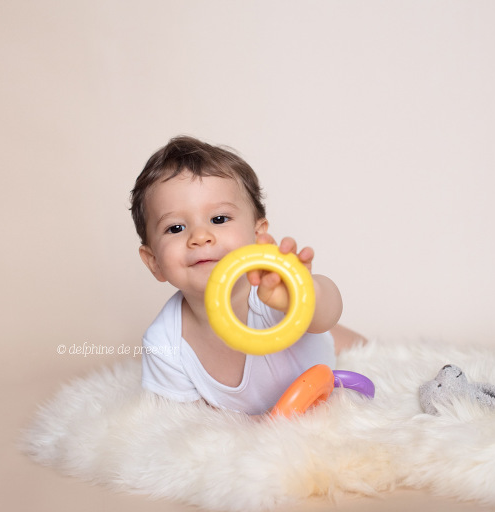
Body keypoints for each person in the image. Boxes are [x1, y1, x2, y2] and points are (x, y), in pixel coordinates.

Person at [130, 136, 364, 415]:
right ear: (153, 261)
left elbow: (329, 311)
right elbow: (187, 428)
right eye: (176, 228)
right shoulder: (163, 342)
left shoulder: (269, 289)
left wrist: (300, 292)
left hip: (318, 360)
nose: (200, 237)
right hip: (273, 421)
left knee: (353, 345)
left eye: (218, 219)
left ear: (257, 234)